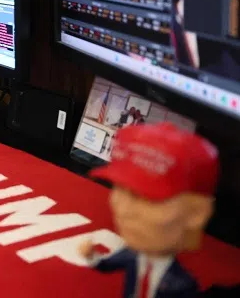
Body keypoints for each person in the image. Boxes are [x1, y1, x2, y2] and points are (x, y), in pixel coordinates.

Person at [80, 123, 218, 298]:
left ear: (196, 214)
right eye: (119, 189)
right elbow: (107, 264)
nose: (123, 209)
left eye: (146, 198)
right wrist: (92, 257)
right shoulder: (132, 255)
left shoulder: (181, 284)